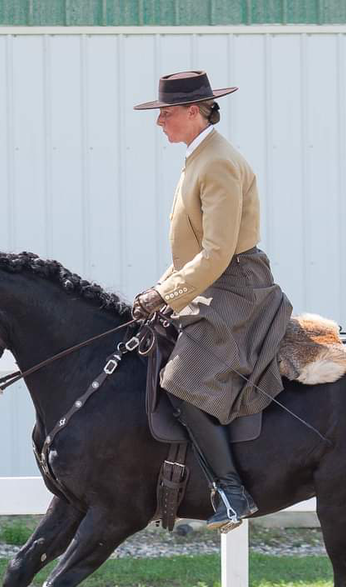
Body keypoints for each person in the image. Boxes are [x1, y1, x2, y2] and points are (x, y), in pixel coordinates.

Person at [132, 70, 293, 531]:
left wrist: (165, 293)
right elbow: (191, 251)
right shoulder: (198, 157)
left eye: (165, 113)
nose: (159, 121)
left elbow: (218, 252)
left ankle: (232, 491)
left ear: (192, 111)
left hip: (236, 285)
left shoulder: (217, 161)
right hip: (211, 280)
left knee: (183, 379)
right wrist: (156, 292)